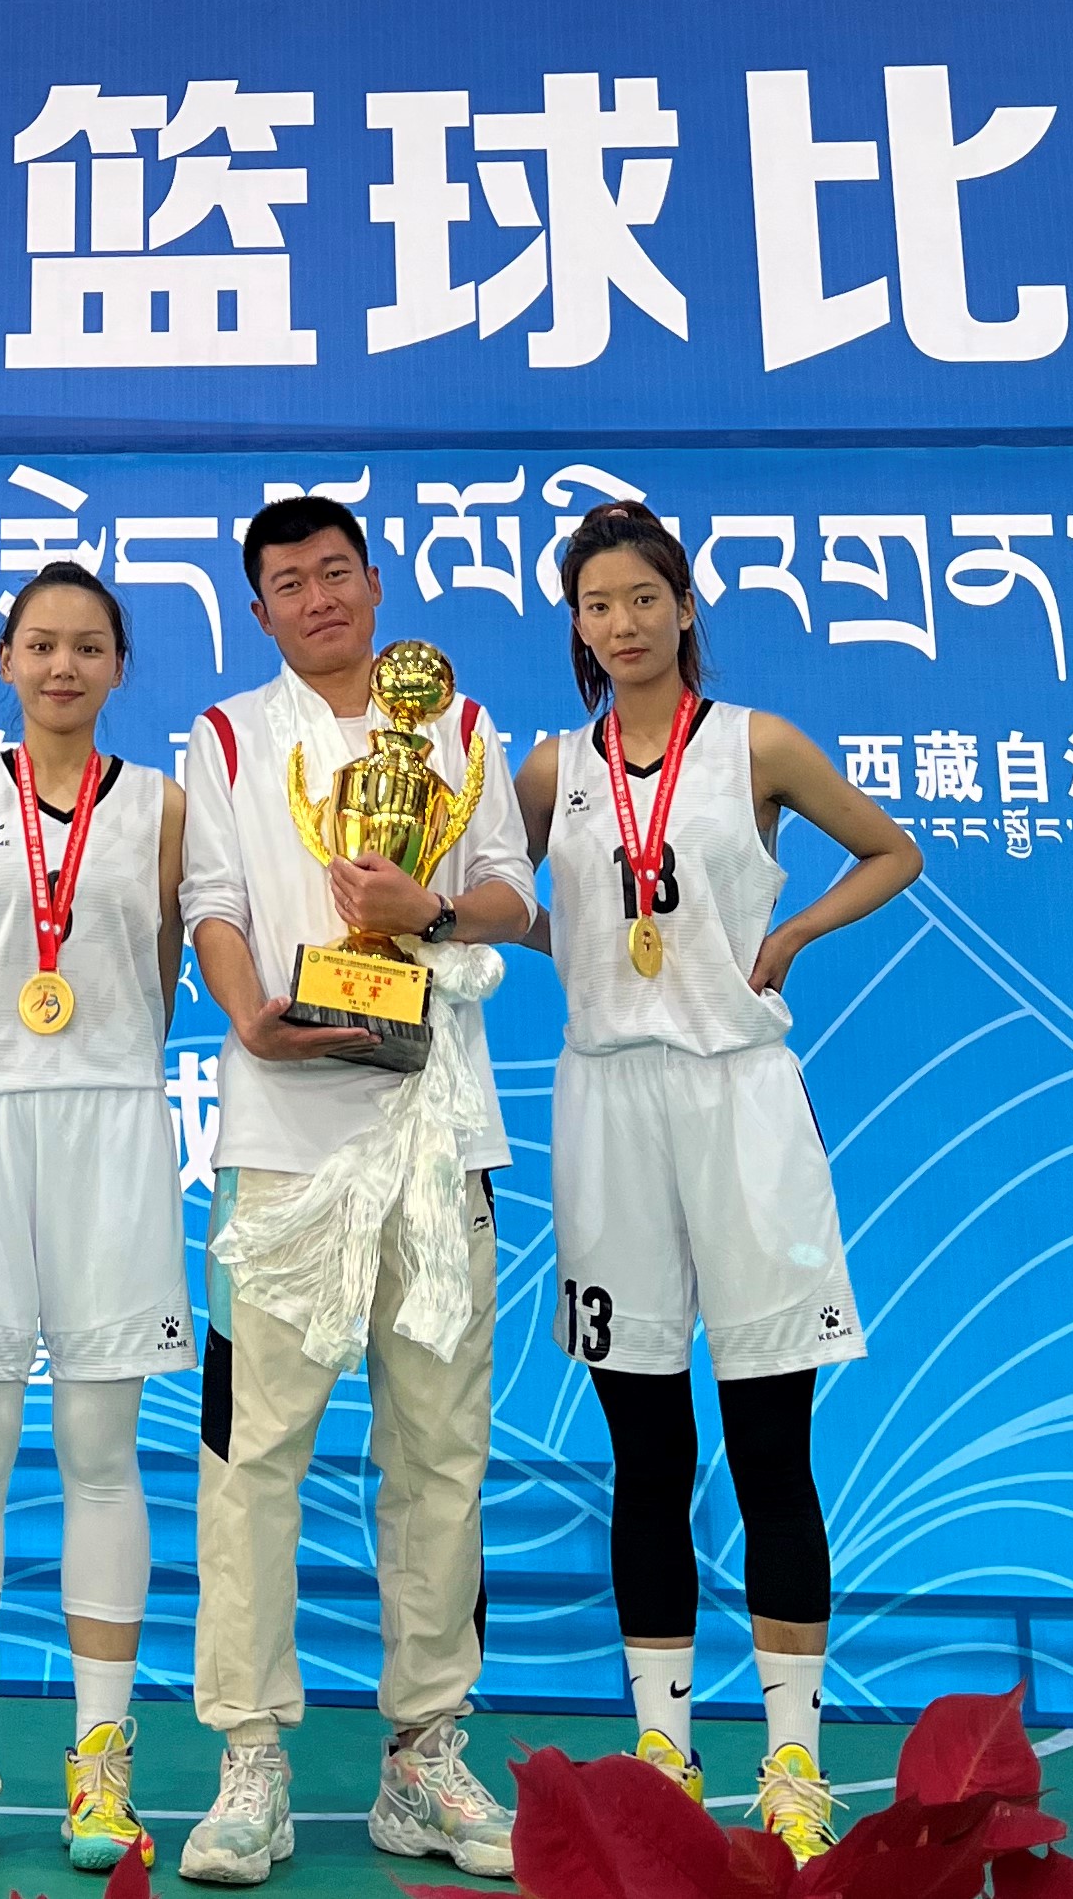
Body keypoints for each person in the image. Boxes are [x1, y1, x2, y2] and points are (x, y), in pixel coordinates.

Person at [514, 499, 920, 1862]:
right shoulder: (550, 770)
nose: (622, 623)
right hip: (606, 1104)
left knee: (769, 1450)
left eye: (644, 598)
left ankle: (793, 1760)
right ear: (576, 627)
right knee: (645, 1454)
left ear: (684, 608)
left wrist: (792, 934)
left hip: (742, 1101)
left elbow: (893, 850)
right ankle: (664, 1754)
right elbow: (520, 904)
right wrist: (521, 931)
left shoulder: (759, 745)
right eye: (597, 605)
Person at [175, 496, 538, 1887]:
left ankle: (424, 1758)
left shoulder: (460, 726)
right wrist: (250, 1019)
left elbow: (511, 896)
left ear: (377, 584)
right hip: (280, 1142)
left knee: (439, 1455)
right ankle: (249, 1762)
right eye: (290, 582)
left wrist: (421, 913)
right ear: (259, 610)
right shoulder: (226, 737)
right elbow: (211, 902)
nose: (319, 597)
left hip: (440, 1139)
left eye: (337, 572)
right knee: (251, 1455)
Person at [0, 560, 193, 1880]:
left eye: (88, 646)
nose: (63, 666)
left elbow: (163, 974)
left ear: (120, 666)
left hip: (111, 1125)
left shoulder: (165, 808)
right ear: (5, 661)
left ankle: (101, 1767)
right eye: (40, 644)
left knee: (99, 1450)